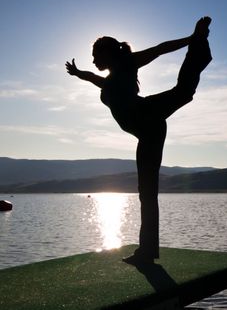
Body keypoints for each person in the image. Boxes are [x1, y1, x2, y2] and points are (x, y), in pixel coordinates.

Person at [66, 17, 212, 264]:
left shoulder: (128, 63)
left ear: (108, 54)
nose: (93, 60)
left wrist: (191, 39)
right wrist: (81, 74)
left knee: (183, 92)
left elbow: (159, 49)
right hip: (147, 132)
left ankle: (199, 40)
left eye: (95, 55)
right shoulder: (112, 79)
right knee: (147, 192)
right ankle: (147, 252)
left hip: (149, 114)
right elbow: (97, 80)